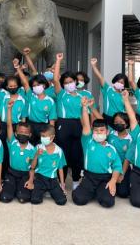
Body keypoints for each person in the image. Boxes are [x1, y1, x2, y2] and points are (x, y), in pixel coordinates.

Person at [53, 53, 97, 190]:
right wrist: (58, 61)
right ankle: (62, 181)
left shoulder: (81, 96)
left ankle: (76, 180)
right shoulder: (61, 94)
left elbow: (86, 114)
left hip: (78, 125)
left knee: (77, 154)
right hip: (63, 125)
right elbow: (55, 79)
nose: (69, 84)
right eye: (66, 83)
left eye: (71, 81)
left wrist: (88, 125)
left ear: (75, 82)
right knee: (63, 154)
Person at [72, 98, 122, 208]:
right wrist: (85, 108)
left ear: (107, 132)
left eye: (102, 130)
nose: (98, 133)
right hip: (89, 177)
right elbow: (86, 124)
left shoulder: (111, 148)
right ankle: (88, 189)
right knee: (78, 199)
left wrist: (113, 181)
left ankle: (98, 192)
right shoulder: (88, 141)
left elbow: (117, 166)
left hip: (105, 178)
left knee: (107, 202)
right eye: (96, 130)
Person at [0, 101, 36, 203]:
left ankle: (19, 189)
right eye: (20, 132)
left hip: (25, 175)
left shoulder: (33, 149)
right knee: (5, 197)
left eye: (25, 133)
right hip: (11, 173)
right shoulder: (12, 142)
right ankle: (10, 187)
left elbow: (33, 168)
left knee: (23, 198)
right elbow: (9, 125)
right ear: (15, 133)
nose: (22, 134)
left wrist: (31, 180)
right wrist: (9, 109)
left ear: (30, 135)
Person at [15, 59, 57, 145]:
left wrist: (51, 134)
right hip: (30, 125)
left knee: (42, 149)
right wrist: (18, 68)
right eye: (34, 85)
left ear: (44, 85)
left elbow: (52, 121)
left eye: (38, 85)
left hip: (44, 127)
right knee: (30, 148)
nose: (36, 87)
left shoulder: (50, 101)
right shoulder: (31, 96)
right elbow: (25, 82)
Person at [28, 125, 67, 205]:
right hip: (40, 178)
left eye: (44, 136)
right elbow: (32, 166)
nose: (42, 138)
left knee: (62, 201)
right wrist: (36, 155)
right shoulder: (38, 147)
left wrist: (62, 184)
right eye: (41, 136)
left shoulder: (59, 151)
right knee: (35, 200)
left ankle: (50, 190)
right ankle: (43, 190)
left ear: (52, 137)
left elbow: (60, 168)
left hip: (53, 179)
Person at [90, 57, 129, 125]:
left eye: (121, 82)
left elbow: (127, 108)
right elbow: (100, 77)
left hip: (119, 119)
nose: (119, 83)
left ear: (124, 85)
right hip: (107, 118)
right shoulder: (108, 89)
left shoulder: (125, 94)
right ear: (114, 81)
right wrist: (94, 66)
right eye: (118, 81)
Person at [107, 111, 133, 198]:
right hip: (109, 166)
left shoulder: (130, 139)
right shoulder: (110, 133)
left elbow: (127, 158)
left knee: (123, 193)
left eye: (121, 122)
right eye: (116, 122)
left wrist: (122, 174)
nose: (118, 124)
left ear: (126, 124)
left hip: (123, 167)